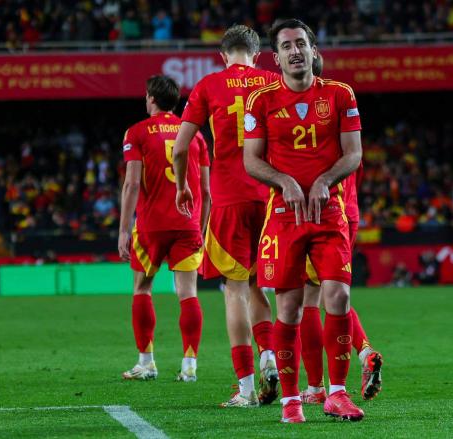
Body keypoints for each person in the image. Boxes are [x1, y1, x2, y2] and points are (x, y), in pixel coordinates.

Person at [244, 18, 364, 423]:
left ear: (313, 50)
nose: (295, 51)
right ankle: (291, 400)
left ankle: (336, 394)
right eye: (287, 46)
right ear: (275, 57)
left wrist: (327, 180)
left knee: (339, 297)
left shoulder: (340, 94)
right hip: (284, 217)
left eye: (301, 44)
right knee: (290, 309)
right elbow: (251, 160)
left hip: (329, 214)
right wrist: (285, 182)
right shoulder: (260, 100)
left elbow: (353, 153)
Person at [172, 25, 279, 407]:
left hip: (229, 197)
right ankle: (270, 355)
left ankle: (248, 388)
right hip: (270, 196)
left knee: (233, 290)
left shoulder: (207, 85)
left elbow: (181, 148)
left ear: (223, 55)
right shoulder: (272, 81)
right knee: (258, 286)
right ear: (258, 53)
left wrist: (184, 185)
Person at [297, 55, 383, 407]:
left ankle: (318, 387)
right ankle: (364, 353)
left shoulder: (313, 120)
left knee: (308, 300)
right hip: (347, 213)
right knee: (336, 296)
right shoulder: (342, 112)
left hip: (321, 212)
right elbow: (355, 167)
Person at [118, 75, 210, 382]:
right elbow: (207, 192)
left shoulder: (137, 132)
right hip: (188, 224)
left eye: (146, 97)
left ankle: (146, 363)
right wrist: (203, 228)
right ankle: (190, 365)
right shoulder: (195, 135)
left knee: (142, 287)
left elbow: (132, 183)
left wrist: (122, 229)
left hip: (151, 225)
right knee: (188, 293)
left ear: (152, 99)